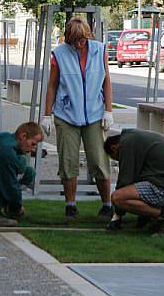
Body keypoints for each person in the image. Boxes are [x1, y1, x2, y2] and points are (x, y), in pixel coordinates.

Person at [40, 17, 114, 218]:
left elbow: (106, 81)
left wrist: (108, 110)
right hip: (66, 114)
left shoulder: (100, 50)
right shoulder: (59, 54)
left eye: (82, 39)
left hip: (95, 114)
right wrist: (47, 114)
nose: (79, 44)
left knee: (99, 160)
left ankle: (107, 204)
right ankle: (70, 204)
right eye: (75, 40)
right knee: (68, 161)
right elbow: (52, 85)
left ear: (88, 36)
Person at [103, 129, 164, 237]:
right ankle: (155, 218)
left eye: (117, 158)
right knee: (133, 191)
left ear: (114, 147)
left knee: (118, 198)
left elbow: (125, 180)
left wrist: (117, 215)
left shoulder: (126, 145)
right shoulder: (135, 138)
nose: (120, 160)